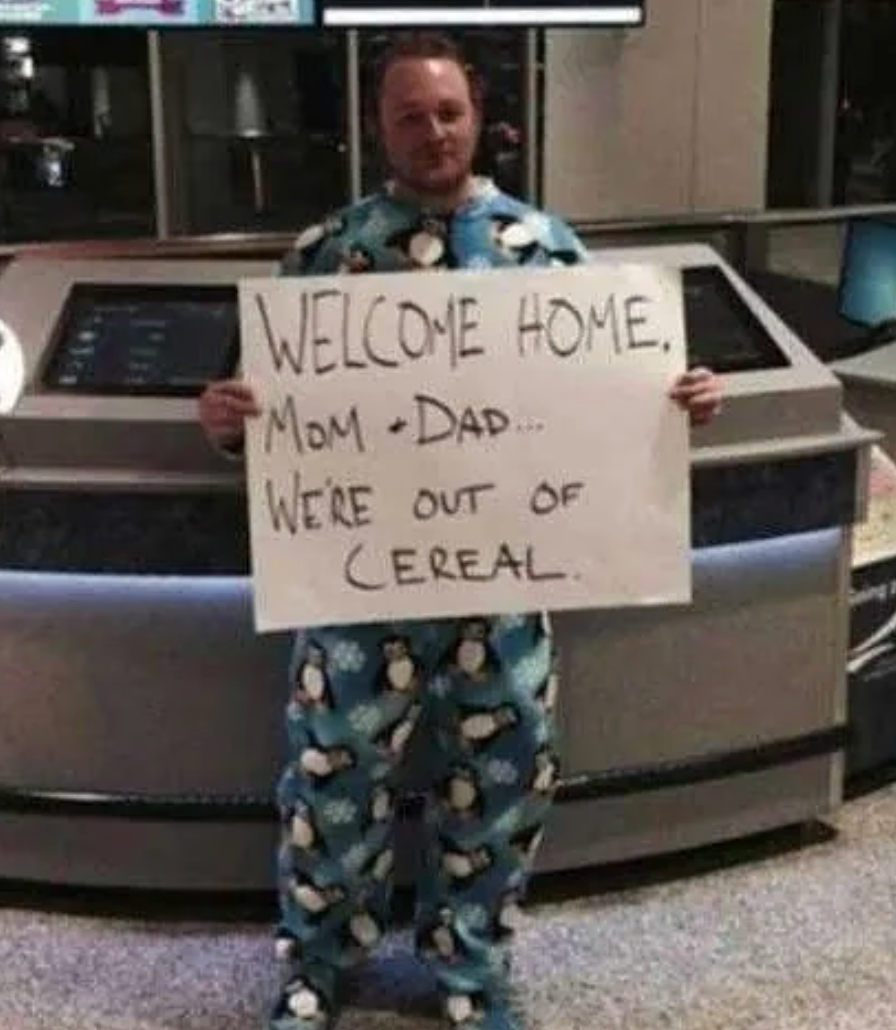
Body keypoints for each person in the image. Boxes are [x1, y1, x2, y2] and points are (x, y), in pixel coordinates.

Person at [198, 31, 723, 1030]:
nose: (432, 131)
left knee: (503, 783)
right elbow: (255, 414)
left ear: (478, 117)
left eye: (448, 111)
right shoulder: (323, 256)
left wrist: (679, 401)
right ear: (378, 127)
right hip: (356, 592)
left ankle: (470, 968)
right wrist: (224, 424)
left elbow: (614, 399)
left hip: (503, 592)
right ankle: (317, 964)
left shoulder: (548, 250)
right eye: (410, 115)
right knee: (330, 785)